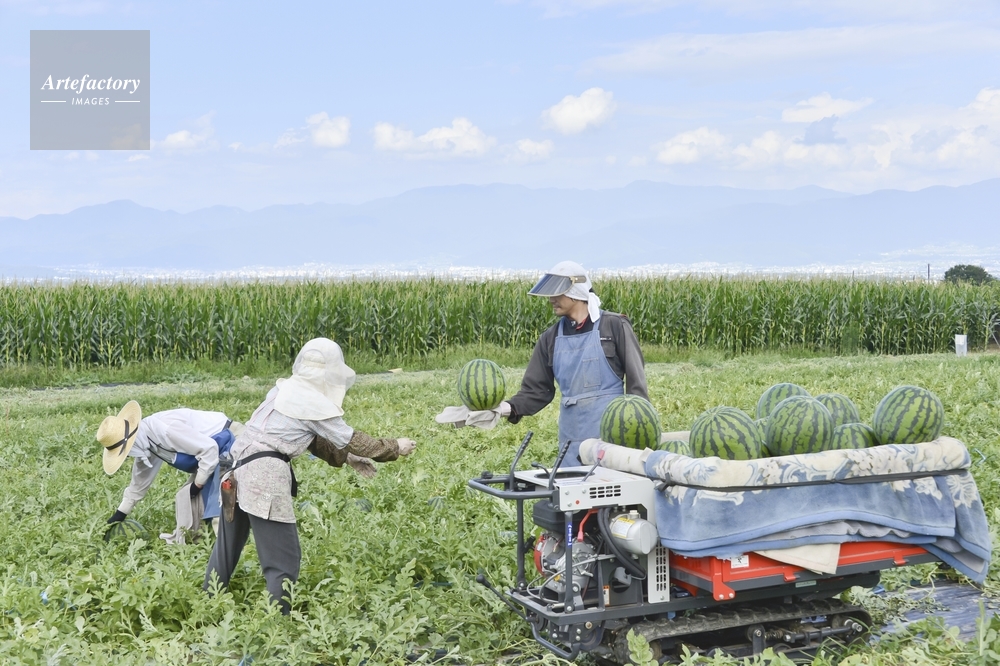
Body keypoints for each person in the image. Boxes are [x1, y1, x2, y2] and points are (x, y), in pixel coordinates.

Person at [204, 337, 416, 614]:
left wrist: (349, 459)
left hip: (234, 471)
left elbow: (312, 438)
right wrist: (395, 447)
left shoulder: (283, 390)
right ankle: (276, 622)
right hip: (263, 477)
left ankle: (207, 605)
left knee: (226, 548)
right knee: (283, 561)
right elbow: (353, 439)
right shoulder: (311, 401)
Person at [497, 260, 648, 466]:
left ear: (576, 292)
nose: (551, 299)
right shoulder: (550, 338)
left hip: (611, 444)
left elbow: (637, 386)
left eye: (557, 293)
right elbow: (536, 391)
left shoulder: (614, 326)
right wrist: (503, 409)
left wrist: (636, 435)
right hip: (570, 445)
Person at [96, 400, 239, 531]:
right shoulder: (146, 443)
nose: (127, 456)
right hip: (210, 458)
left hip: (230, 441)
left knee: (219, 504)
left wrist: (198, 484)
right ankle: (204, 539)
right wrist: (119, 515)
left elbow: (209, 449)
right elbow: (139, 483)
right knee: (187, 500)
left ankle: (226, 545)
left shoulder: (164, 430)